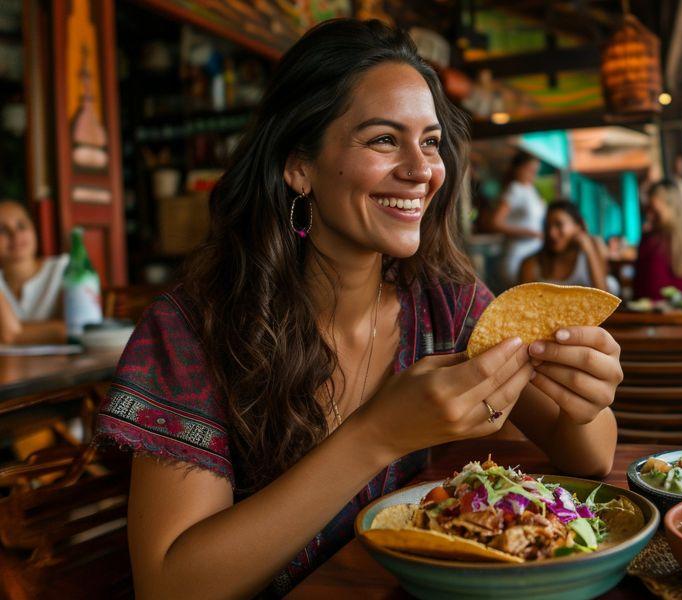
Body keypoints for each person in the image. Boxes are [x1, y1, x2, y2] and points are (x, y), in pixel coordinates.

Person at [94, 20, 620, 599]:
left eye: (429, 141)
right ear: (299, 166)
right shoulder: (194, 331)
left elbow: (592, 461)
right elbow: (171, 588)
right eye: (383, 140)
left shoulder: (448, 306)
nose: (422, 172)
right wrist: (378, 436)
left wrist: (585, 398)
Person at [0, 200, 68, 344]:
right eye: (2, 230)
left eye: (21, 226)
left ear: (34, 229)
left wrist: (18, 332)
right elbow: (8, 334)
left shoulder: (64, 268)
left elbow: (75, 329)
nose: (15, 235)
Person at [519, 200, 619, 295]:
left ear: (577, 226)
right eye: (547, 226)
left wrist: (588, 249)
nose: (551, 233)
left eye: (558, 224)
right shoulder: (531, 264)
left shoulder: (592, 252)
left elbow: (605, 296)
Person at [488, 151, 546, 290]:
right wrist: (529, 232)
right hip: (517, 254)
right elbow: (495, 222)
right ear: (518, 169)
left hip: (533, 252)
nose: (533, 174)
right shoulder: (515, 189)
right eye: (530, 170)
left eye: (535, 171)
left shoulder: (531, 190)